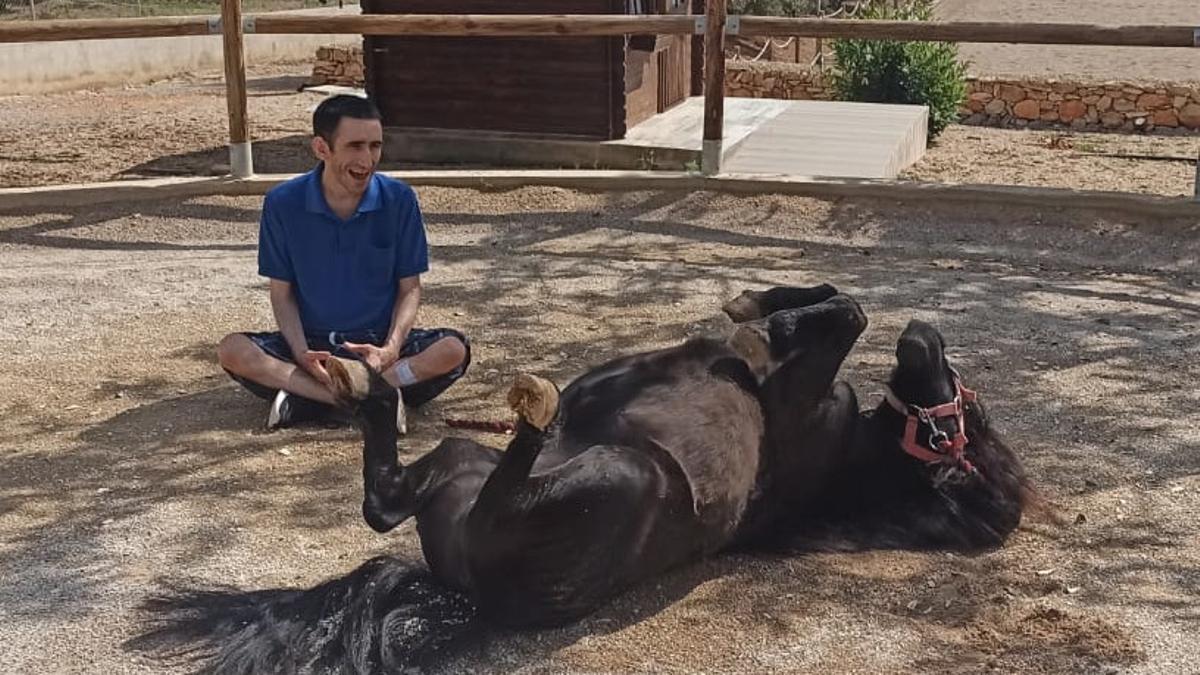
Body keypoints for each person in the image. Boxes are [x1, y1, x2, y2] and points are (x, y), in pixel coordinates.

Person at [217, 94, 469, 432]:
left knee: (452, 350)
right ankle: (367, 397)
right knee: (233, 350)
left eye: (375, 146)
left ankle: (312, 397)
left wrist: (391, 349)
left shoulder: (400, 200)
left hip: (378, 347)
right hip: (311, 348)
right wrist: (301, 353)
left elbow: (410, 289)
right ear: (322, 148)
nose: (367, 159)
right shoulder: (283, 203)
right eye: (355, 146)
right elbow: (281, 294)